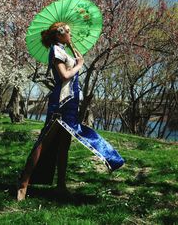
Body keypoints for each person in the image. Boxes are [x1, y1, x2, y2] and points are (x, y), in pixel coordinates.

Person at [17, 22, 124, 201]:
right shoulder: (55, 50)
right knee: (44, 142)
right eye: (66, 31)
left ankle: (61, 185)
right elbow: (65, 76)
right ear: (58, 34)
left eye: (69, 31)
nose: (69, 33)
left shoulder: (64, 49)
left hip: (72, 103)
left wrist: (73, 50)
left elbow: (76, 64)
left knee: (64, 146)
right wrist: (79, 65)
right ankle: (23, 184)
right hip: (61, 102)